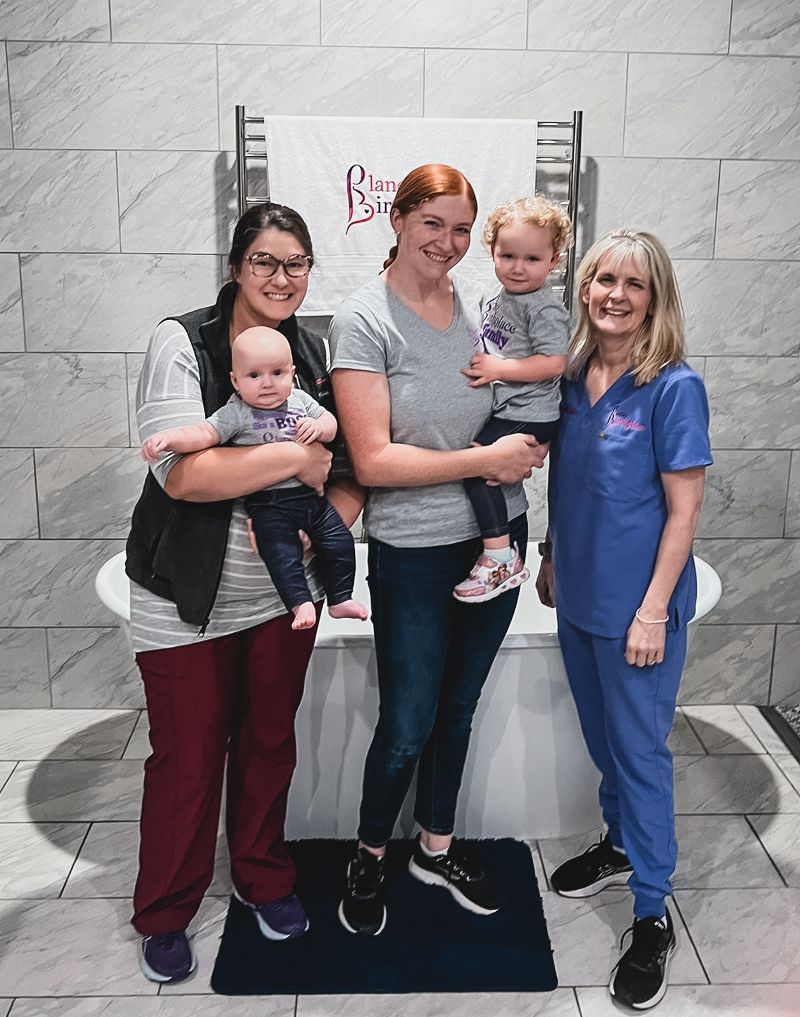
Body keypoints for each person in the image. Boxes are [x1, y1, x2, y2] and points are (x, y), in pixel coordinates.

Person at [126, 202, 362, 983]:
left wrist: (320, 524)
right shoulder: (185, 342)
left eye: (296, 263)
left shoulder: (310, 351)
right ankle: (167, 910)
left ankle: (261, 875)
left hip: (278, 596)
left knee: (268, 742)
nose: (281, 277)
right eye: (265, 260)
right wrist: (292, 462)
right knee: (188, 759)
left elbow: (347, 468)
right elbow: (184, 475)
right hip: (185, 594)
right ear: (236, 267)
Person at [329, 163, 546, 936]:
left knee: (459, 708)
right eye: (433, 224)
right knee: (407, 723)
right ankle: (368, 854)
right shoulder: (364, 320)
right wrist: (486, 459)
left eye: (461, 229)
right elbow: (373, 460)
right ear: (397, 219)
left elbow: (512, 395)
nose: (448, 243)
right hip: (415, 551)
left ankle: (436, 846)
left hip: (500, 538)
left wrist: (531, 438)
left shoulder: (481, 306)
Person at [535, 229, 712, 1010]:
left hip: (638, 612)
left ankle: (651, 912)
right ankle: (617, 843)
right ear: (584, 288)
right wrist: (549, 553)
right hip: (577, 598)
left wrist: (652, 611)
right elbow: (566, 481)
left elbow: (685, 512)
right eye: (604, 278)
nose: (616, 293)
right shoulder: (573, 376)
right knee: (604, 741)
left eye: (634, 284)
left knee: (639, 754)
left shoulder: (673, 387)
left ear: (654, 298)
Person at [140, 325, 366, 631]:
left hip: (311, 500)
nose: (267, 383)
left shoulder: (300, 400)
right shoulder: (237, 412)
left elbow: (330, 422)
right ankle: (298, 603)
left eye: (277, 373)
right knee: (281, 552)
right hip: (270, 505)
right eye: (254, 375)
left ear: (292, 374)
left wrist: (321, 428)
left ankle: (340, 598)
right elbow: (203, 434)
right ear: (236, 381)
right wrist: (168, 439)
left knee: (339, 540)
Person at [455, 196, 571, 603]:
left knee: (476, 465)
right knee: (478, 466)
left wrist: (499, 369)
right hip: (514, 409)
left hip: (532, 412)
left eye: (532, 259)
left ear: (553, 261)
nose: (518, 268)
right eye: (507, 256)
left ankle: (500, 557)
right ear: (492, 252)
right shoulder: (499, 294)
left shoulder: (543, 308)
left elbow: (555, 362)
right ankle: (499, 553)